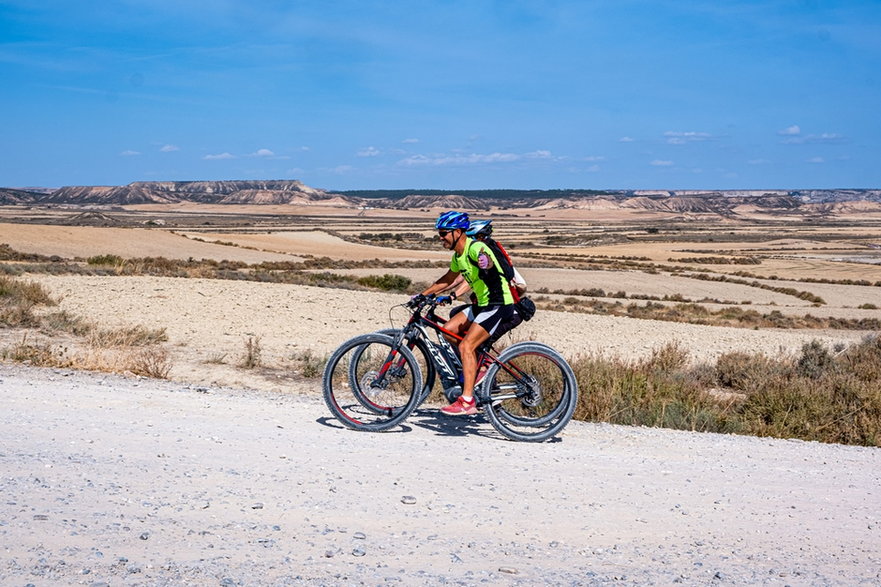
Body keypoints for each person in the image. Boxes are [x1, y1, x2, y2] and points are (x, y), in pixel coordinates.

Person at [416, 211, 517, 416]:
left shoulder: (476, 248)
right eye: (440, 233)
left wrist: (485, 264)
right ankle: (484, 364)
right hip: (482, 304)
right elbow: (447, 279)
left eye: (444, 233)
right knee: (448, 330)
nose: (441, 238)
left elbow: (487, 263)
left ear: (458, 232)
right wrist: (421, 295)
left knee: (466, 345)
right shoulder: (458, 256)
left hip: (497, 304)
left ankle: (467, 400)